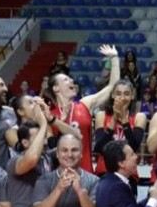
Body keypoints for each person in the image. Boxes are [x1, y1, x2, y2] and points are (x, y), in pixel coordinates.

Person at [49, 44, 120, 173]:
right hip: (60, 176)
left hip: (86, 173)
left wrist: (114, 59)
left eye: (71, 79)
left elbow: (112, 88)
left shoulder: (84, 104)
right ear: (55, 88)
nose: (71, 81)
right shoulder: (49, 115)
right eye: (65, 80)